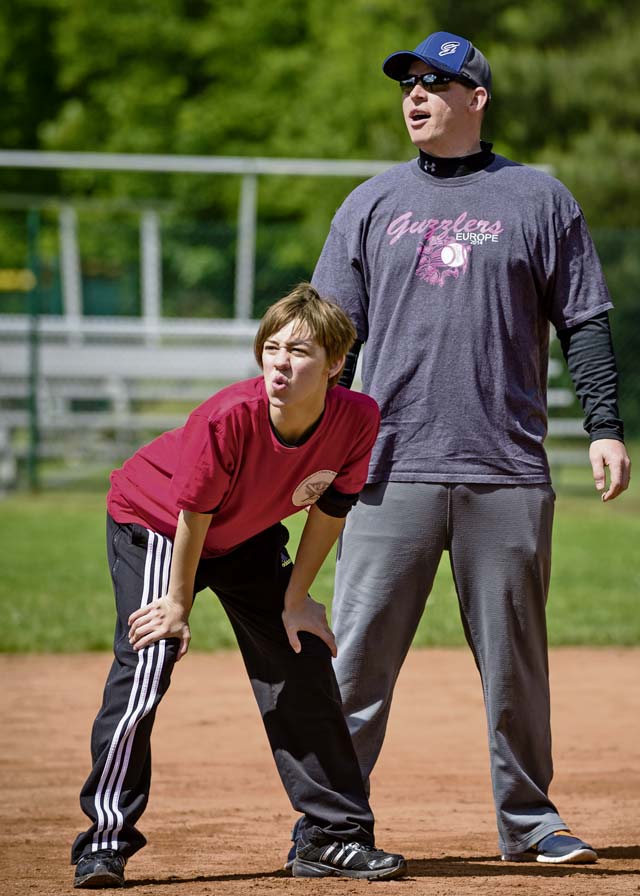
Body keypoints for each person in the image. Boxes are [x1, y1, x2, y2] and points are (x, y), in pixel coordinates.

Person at [305, 30, 632, 866]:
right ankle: (332, 827)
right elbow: (330, 339)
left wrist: (604, 427)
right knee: (356, 665)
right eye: (407, 84)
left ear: (475, 99)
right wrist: (308, 444)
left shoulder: (540, 198)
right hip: (387, 467)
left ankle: (530, 824)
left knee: (517, 665)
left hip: (508, 467)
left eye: (434, 83)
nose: (414, 96)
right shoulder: (369, 203)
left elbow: (585, 321)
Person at [71, 283, 407, 888]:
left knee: (300, 654)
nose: (281, 361)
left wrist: (297, 597)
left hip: (244, 533)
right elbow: (192, 515)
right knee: (151, 658)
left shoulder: (358, 418)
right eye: (272, 346)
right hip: (156, 524)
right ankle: (104, 839)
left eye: (300, 351)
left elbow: (332, 506)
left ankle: (331, 838)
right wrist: (176, 603)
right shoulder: (229, 416)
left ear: (336, 364)